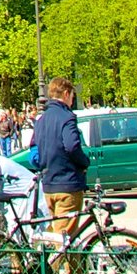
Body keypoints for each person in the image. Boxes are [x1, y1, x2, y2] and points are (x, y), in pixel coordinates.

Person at [30, 76, 92, 238]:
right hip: (67, 184)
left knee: (62, 236)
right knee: (63, 240)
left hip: (49, 184)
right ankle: (50, 263)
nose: (72, 101)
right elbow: (72, 146)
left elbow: (34, 150)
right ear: (66, 94)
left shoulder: (41, 120)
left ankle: (59, 262)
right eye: (72, 96)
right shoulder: (67, 118)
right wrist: (84, 162)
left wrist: (44, 165)